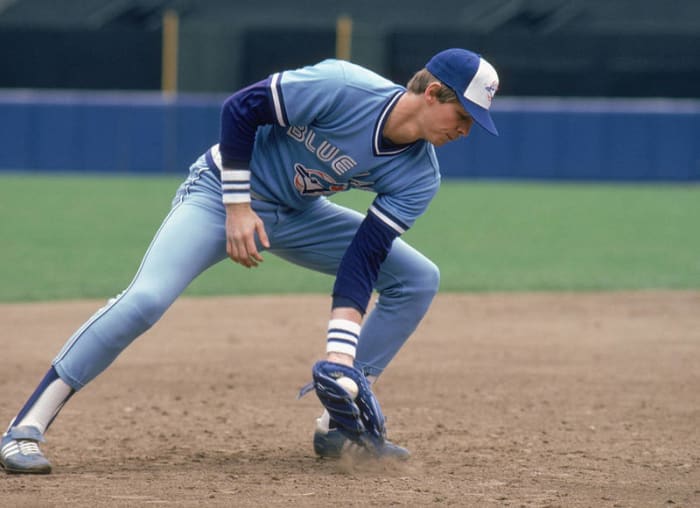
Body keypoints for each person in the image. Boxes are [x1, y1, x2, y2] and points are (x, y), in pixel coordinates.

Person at [0, 48, 499, 474]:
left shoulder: (420, 175)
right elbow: (242, 108)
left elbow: (364, 258)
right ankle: (24, 428)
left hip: (297, 215)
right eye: (464, 117)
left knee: (416, 278)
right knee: (145, 301)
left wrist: (340, 356)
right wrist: (237, 206)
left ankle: (339, 418)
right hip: (219, 196)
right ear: (433, 92)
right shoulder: (344, 86)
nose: (466, 131)